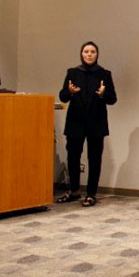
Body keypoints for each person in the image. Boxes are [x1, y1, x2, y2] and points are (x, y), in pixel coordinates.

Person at [56, 41, 117, 206]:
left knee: (94, 158)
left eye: (92, 52)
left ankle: (91, 194)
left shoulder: (105, 74)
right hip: (75, 121)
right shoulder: (73, 72)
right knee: (73, 157)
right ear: (81, 54)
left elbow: (113, 99)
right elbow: (62, 97)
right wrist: (69, 91)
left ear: (97, 54)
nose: (89, 54)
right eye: (86, 51)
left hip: (96, 122)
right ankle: (74, 191)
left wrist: (104, 93)